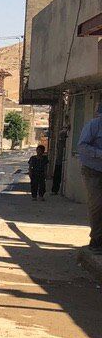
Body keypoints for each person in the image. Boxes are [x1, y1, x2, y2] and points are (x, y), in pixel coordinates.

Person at [78, 101, 102, 250]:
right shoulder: (94, 125)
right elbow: (82, 146)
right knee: (97, 205)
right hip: (92, 170)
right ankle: (96, 239)